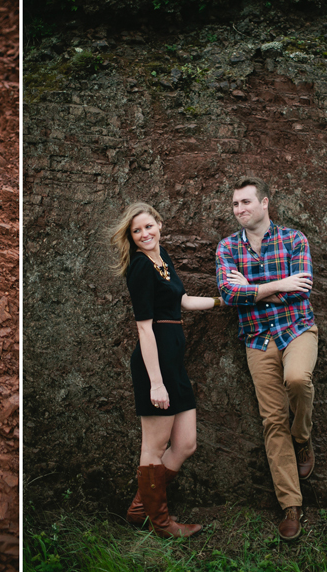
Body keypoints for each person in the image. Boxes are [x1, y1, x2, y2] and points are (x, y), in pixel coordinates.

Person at [111, 202, 223, 538]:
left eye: (148, 227)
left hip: (174, 363)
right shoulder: (141, 268)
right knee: (154, 447)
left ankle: (138, 508)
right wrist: (156, 384)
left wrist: (225, 300)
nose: (144, 234)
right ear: (131, 237)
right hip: (154, 366)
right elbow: (144, 329)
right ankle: (162, 524)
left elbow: (184, 301)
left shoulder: (163, 260)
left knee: (186, 444)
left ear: (160, 225)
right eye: (137, 231)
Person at [215, 177, 318, 541]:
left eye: (245, 202)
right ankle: (291, 505)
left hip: (297, 331)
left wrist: (253, 289)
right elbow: (229, 294)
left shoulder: (294, 239)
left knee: (297, 379)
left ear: (265, 203)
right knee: (272, 420)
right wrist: (277, 286)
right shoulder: (227, 247)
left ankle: (302, 436)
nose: (239, 210)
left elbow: (301, 291)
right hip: (257, 340)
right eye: (235, 205)